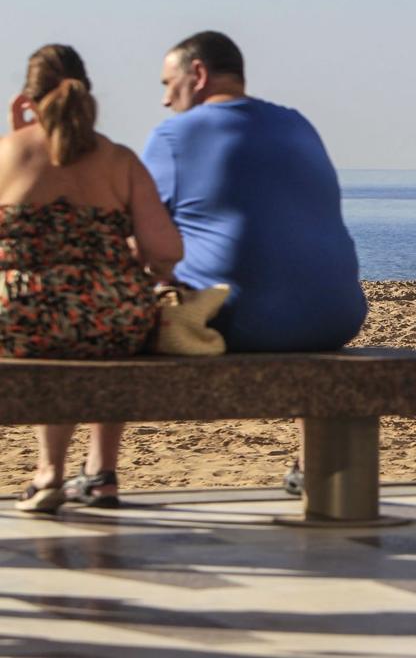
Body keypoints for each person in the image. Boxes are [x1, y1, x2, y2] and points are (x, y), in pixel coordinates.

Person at [144, 31, 367, 495]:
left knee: (120, 307)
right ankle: (312, 463)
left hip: (241, 322)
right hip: (339, 317)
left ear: (198, 74)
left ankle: (98, 469)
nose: (166, 99)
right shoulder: (297, 123)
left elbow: (140, 238)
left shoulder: (174, 134)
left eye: (169, 83)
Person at [5, 45, 182, 514]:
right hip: (112, 317)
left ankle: (48, 473)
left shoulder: (6, 154)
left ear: (27, 97)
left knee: (51, 329)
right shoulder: (119, 160)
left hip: (22, 316)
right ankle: (102, 474)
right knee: (106, 324)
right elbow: (166, 252)